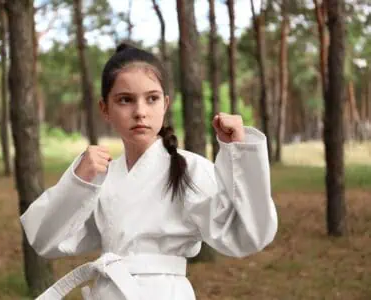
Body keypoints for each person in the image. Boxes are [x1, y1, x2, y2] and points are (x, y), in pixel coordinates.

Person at [20, 43, 278, 300]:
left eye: (151, 99)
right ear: (104, 108)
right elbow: (46, 239)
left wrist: (240, 152)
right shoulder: (99, 176)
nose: (140, 112)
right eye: (125, 100)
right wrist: (79, 183)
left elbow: (248, 235)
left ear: (165, 104)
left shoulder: (190, 170)